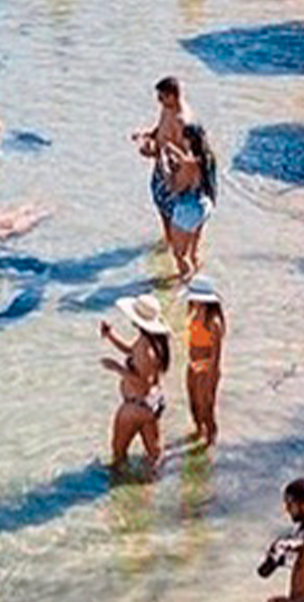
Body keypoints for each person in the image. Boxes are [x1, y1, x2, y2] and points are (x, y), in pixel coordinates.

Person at [100, 294, 171, 475]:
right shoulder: (154, 342)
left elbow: (143, 383)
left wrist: (117, 368)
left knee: (119, 456)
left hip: (134, 406)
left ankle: (119, 495)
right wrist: (111, 336)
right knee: (154, 456)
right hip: (151, 405)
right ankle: (150, 491)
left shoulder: (146, 348)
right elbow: (132, 352)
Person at [133, 77, 195, 242]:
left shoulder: (182, 120)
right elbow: (161, 128)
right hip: (161, 167)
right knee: (161, 206)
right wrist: (147, 135)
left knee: (174, 212)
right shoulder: (168, 108)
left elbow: (187, 154)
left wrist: (154, 153)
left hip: (173, 172)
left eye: (162, 97)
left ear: (173, 96)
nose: (159, 101)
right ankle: (168, 239)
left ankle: (175, 243)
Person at [162, 124, 218, 282]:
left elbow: (175, 187)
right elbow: (186, 160)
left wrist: (165, 165)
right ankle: (197, 272)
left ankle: (187, 284)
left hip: (188, 208)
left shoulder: (189, 164)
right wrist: (172, 149)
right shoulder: (208, 158)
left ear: (189, 141)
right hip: (204, 204)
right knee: (194, 250)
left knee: (179, 254)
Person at [184, 275, 226, 446]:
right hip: (193, 365)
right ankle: (198, 434)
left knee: (206, 408)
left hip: (207, 368)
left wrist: (209, 377)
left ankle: (210, 440)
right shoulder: (195, 315)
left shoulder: (213, 322)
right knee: (193, 405)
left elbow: (216, 356)